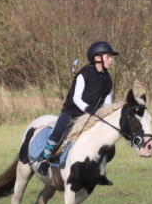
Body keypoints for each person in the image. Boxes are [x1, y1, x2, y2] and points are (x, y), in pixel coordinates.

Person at [37, 41, 117, 176]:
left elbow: (107, 101)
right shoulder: (83, 74)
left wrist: (104, 113)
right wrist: (88, 108)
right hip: (72, 112)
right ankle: (45, 160)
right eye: (108, 57)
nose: (111, 60)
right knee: (59, 130)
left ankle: (100, 170)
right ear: (98, 58)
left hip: (93, 115)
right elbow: (76, 98)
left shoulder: (108, 79)